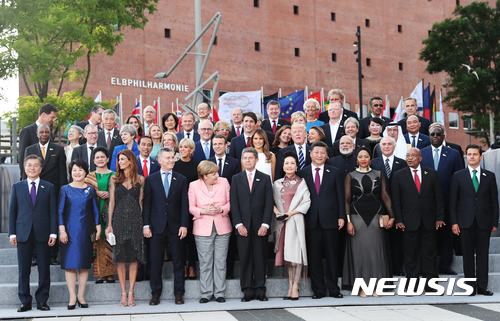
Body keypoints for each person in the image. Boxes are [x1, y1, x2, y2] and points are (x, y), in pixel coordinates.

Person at [392, 147, 445, 292]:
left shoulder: (432, 174)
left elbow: (439, 198)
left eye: (413, 156)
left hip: (428, 220)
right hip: (408, 221)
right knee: (410, 253)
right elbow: (396, 201)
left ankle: (430, 283)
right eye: (407, 155)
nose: (409, 158)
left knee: (429, 252)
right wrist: (398, 220)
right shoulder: (398, 175)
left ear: (420, 158)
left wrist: (439, 217)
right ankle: (412, 284)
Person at [9, 155, 57, 312]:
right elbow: (12, 211)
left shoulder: (48, 187)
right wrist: (12, 233)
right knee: (24, 270)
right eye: (29, 165)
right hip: (23, 233)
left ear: (40, 169)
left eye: (35, 165)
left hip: (43, 233)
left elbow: (53, 212)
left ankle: (42, 300)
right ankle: (25, 301)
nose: (32, 168)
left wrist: (53, 233)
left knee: (44, 269)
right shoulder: (17, 187)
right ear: (24, 167)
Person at [342, 148, 394, 296]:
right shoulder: (350, 176)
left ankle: (377, 287)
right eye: (360, 156)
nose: (363, 159)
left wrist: (392, 216)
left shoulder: (379, 174)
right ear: (356, 159)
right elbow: (346, 199)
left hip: (377, 218)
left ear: (370, 158)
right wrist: (348, 221)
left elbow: (385, 196)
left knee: (376, 254)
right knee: (360, 254)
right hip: (356, 219)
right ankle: (362, 287)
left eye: (366, 156)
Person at [298, 141, 345, 299]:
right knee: (314, 256)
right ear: (310, 154)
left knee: (332, 256)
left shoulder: (335, 171)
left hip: (331, 219)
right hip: (311, 220)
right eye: (316, 152)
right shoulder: (302, 172)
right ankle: (318, 290)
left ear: (326, 155)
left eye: (322, 153)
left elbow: (340, 196)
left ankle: (333, 289)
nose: (319, 155)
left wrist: (341, 216)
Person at [450, 144, 499, 296]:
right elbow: (453, 201)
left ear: (480, 156)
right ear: (466, 156)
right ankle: (470, 286)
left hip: (484, 222)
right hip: (465, 222)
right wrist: (454, 222)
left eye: (475, 154)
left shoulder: (489, 176)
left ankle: (482, 287)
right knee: (468, 255)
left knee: (483, 255)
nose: (472, 157)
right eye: (469, 154)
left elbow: (494, 201)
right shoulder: (458, 175)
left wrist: (494, 222)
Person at [143, 147, 189, 306]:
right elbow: (147, 204)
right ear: (159, 160)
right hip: (156, 227)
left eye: (173, 157)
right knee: (155, 262)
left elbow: (184, 204)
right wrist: (146, 225)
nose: (171, 160)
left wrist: (184, 224)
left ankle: (179, 293)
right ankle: (155, 293)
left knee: (178, 261)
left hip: (176, 227)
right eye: (168, 158)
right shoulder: (150, 179)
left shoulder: (181, 179)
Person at [230, 147, 273, 302]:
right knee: (245, 258)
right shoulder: (236, 178)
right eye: (245, 158)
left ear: (256, 160)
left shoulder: (265, 178)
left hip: (260, 226)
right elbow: (234, 203)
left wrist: (265, 224)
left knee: (260, 258)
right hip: (243, 227)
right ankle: (247, 290)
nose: (247, 160)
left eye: (250, 158)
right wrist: (238, 224)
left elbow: (269, 204)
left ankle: (260, 290)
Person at [420, 123, 463, 275]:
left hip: (447, 201)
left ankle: (445, 265)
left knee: (446, 235)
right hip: (426, 202)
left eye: (438, 134)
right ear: (429, 137)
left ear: (444, 136)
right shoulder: (421, 153)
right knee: (428, 235)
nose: (436, 137)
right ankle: (429, 267)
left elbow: (459, 178)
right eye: (433, 134)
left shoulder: (453, 154)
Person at [105, 149, 145, 307]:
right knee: (120, 259)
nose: (120, 162)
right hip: (119, 221)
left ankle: (131, 293)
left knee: (134, 258)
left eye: (123, 159)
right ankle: (123, 293)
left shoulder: (140, 179)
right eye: (119, 160)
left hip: (135, 222)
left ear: (130, 160)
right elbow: (111, 203)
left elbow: (141, 203)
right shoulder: (114, 179)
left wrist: (141, 223)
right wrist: (109, 224)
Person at [59, 159, 100, 309]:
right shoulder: (65, 189)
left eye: (81, 170)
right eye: (74, 170)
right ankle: (72, 297)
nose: (77, 173)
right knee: (70, 265)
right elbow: (60, 211)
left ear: (86, 172)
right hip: (69, 231)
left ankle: (81, 296)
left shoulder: (90, 190)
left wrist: (98, 227)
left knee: (83, 265)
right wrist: (62, 230)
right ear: (71, 172)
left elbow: (95, 210)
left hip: (85, 231)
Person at [188, 161, 232, 303]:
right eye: (213, 174)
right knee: (205, 262)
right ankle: (206, 293)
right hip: (202, 228)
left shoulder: (224, 182)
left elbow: (231, 202)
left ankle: (220, 293)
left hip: (222, 226)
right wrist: (203, 211)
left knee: (220, 261)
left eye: (217, 173)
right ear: (204, 175)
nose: (217, 176)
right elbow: (191, 207)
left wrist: (222, 209)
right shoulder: (194, 185)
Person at [272, 151, 310, 300]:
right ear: (283, 166)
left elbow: (306, 201)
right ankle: (289, 286)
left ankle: (296, 287)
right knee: (287, 256)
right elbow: (271, 202)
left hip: (295, 220)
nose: (289, 166)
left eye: (292, 163)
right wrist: (278, 213)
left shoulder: (302, 183)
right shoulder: (277, 183)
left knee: (296, 255)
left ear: (297, 165)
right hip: (282, 223)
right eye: (287, 163)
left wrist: (291, 213)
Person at [370, 136, 408, 276]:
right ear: (380, 147)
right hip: (378, 208)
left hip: (398, 207)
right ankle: (382, 268)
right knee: (380, 241)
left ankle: (396, 268)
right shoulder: (373, 163)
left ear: (394, 146)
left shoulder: (402, 163)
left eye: (389, 144)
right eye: (384, 144)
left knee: (397, 241)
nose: (386, 146)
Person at [209, 135, 241, 279]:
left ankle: (229, 273)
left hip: (229, 206)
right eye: (215, 144)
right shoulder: (207, 162)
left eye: (220, 144)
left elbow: (236, 185)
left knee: (230, 242)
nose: (217, 146)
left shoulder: (234, 162)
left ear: (225, 145)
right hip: (211, 209)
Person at [84, 147, 117, 284]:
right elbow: (84, 193)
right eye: (97, 157)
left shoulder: (115, 175)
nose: (100, 159)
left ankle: (110, 274)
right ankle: (101, 274)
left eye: (103, 157)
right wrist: (96, 193)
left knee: (110, 241)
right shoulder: (89, 177)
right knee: (98, 242)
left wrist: (111, 194)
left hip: (111, 213)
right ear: (94, 160)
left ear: (108, 159)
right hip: (95, 213)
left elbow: (120, 192)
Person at [173, 138, 199, 280]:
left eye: (186, 147)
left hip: (194, 206)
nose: (182, 149)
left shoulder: (197, 166)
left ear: (191, 150)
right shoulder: (174, 166)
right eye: (181, 147)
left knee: (192, 238)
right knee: (180, 238)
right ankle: (182, 265)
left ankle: (192, 266)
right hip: (178, 207)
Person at [24, 124, 68, 196]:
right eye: (41, 132)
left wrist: (63, 189)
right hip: (35, 187)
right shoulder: (29, 150)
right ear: (37, 134)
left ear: (50, 134)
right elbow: (26, 170)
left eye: (46, 132)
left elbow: (62, 172)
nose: (44, 134)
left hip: (53, 188)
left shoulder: (58, 149)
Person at [18, 103, 58, 177]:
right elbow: (22, 156)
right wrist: (24, 177)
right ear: (43, 115)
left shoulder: (49, 133)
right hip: (33, 177)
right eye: (52, 117)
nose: (53, 120)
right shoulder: (27, 131)